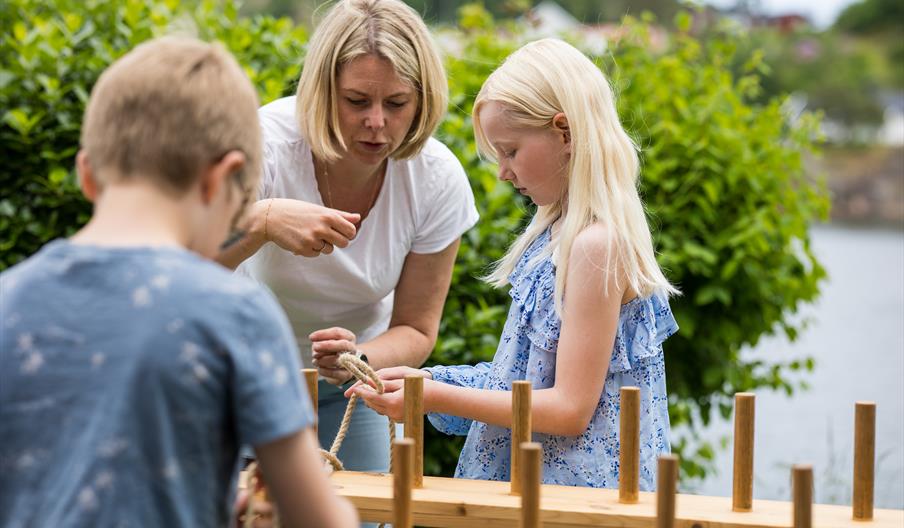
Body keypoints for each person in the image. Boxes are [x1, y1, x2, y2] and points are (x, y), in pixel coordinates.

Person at [0, 37, 357, 527]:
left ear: (86, 174)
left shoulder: (9, 299)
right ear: (225, 179)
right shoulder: (237, 313)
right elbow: (320, 519)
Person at [348, 38, 680, 490]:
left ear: (563, 132)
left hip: (576, 506)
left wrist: (431, 396)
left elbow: (568, 410)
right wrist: (427, 381)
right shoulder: (557, 237)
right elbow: (521, 382)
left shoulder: (596, 246)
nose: (503, 171)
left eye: (510, 151)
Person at [218, 0, 478, 473]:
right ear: (321, 91)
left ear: (422, 100)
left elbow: (417, 329)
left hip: (350, 391)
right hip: (242, 378)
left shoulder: (437, 178)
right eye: (357, 101)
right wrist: (262, 220)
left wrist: (357, 358)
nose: (376, 122)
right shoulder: (265, 145)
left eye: (396, 103)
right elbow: (186, 270)